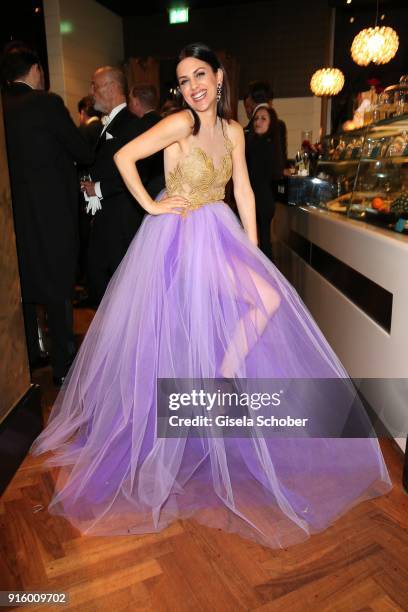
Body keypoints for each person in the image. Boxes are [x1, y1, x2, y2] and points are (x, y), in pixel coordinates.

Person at [30, 43, 391, 549]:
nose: (193, 85)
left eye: (201, 74)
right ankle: (172, 431)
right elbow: (123, 156)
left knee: (263, 300)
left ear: (219, 78)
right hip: (178, 238)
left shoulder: (235, 131)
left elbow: (242, 189)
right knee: (178, 337)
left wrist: (254, 252)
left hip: (218, 233)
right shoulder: (179, 124)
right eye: (184, 79)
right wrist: (151, 209)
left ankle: (219, 381)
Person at [1, 46, 93, 386]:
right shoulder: (46, 103)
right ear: (35, 69)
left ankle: (29, 357)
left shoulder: (3, 107)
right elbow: (80, 150)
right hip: (51, 213)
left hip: (12, 218)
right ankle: (63, 363)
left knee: (21, 287)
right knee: (58, 285)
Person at [81, 66, 145, 306]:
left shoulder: (132, 124)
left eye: (95, 86)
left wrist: (97, 189)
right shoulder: (104, 125)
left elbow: (136, 172)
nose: (91, 92)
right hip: (105, 221)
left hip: (121, 222)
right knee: (101, 284)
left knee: (123, 294)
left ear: (112, 87)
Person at [246, 105, 284, 260]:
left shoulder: (267, 144)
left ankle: (266, 278)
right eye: (256, 118)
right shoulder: (253, 142)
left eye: (263, 119)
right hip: (252, 198)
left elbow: (273, 173)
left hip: (262, 200)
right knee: (257, 242)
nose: (258, 122)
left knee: (263, 243)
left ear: (270, 123)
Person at [127, 83, 164, 198]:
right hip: (166, 185)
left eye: (130, 101)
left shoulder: (136, 126)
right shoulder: (166, 122)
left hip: (147, 190)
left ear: (136, 103)